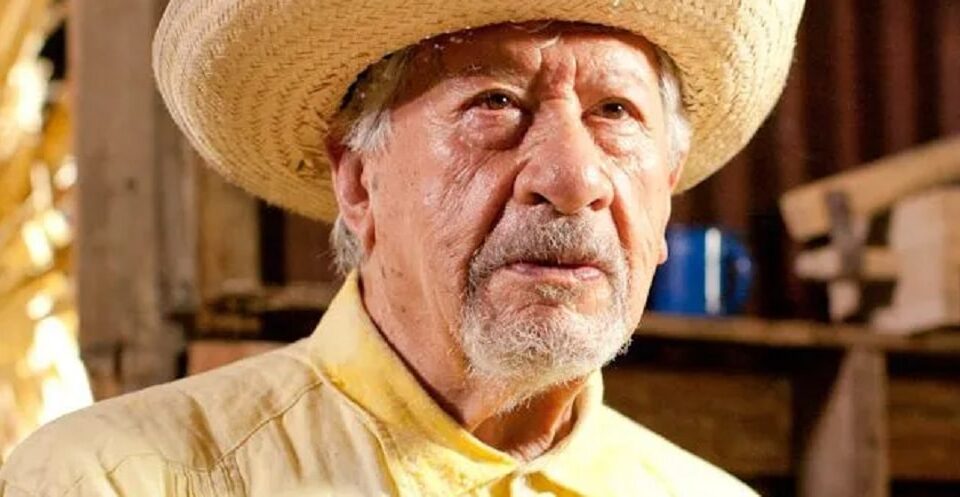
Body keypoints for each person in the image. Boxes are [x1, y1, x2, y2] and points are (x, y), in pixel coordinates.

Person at [0, 1, 804, 495]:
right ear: (359, 182)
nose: (572, 178)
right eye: (495, 102)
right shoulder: (112, 480)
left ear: (666, 192)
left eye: (616, 112)